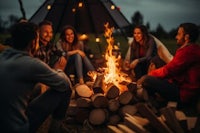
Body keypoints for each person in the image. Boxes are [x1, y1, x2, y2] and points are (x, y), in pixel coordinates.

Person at [0, 22, 72, 133]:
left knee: (38, 87)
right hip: (18, 129)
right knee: (65, 89)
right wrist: (58, 70)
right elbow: (65, 84)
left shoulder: (2, 56)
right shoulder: (31, 63)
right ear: (33, 42)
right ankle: (56, 128)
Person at [141, 23, 200, 109]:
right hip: (181, 85)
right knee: (156, 61)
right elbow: (174, 69)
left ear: (186, 37)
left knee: (147, 80)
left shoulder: (188, 51)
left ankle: (154, 104)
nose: (176, 37)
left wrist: (150, 74)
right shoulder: (193, 48)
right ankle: (156, 99)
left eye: (179, 34)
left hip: (184, 94)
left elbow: (169, 70)